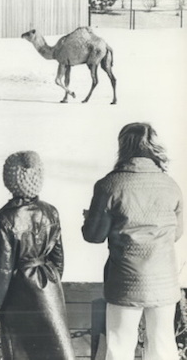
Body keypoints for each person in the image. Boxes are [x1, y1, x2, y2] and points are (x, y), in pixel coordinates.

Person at [82, 122, 183, 360]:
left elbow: (93, 235)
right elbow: (176, 233)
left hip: (125, 281)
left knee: (119, 348)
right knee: (163, 348)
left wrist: (91, 218)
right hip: (164, 280)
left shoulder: (109, 185)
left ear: (122, 147)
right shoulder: (171, 185)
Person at [0, 151, 75, 360]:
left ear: (9, 179)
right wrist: (51, 282)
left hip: (19, 294)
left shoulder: (4, 218)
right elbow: (58, 258)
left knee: (21, 352)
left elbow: (1, 268)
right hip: (48, 290)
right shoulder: (51, 211)